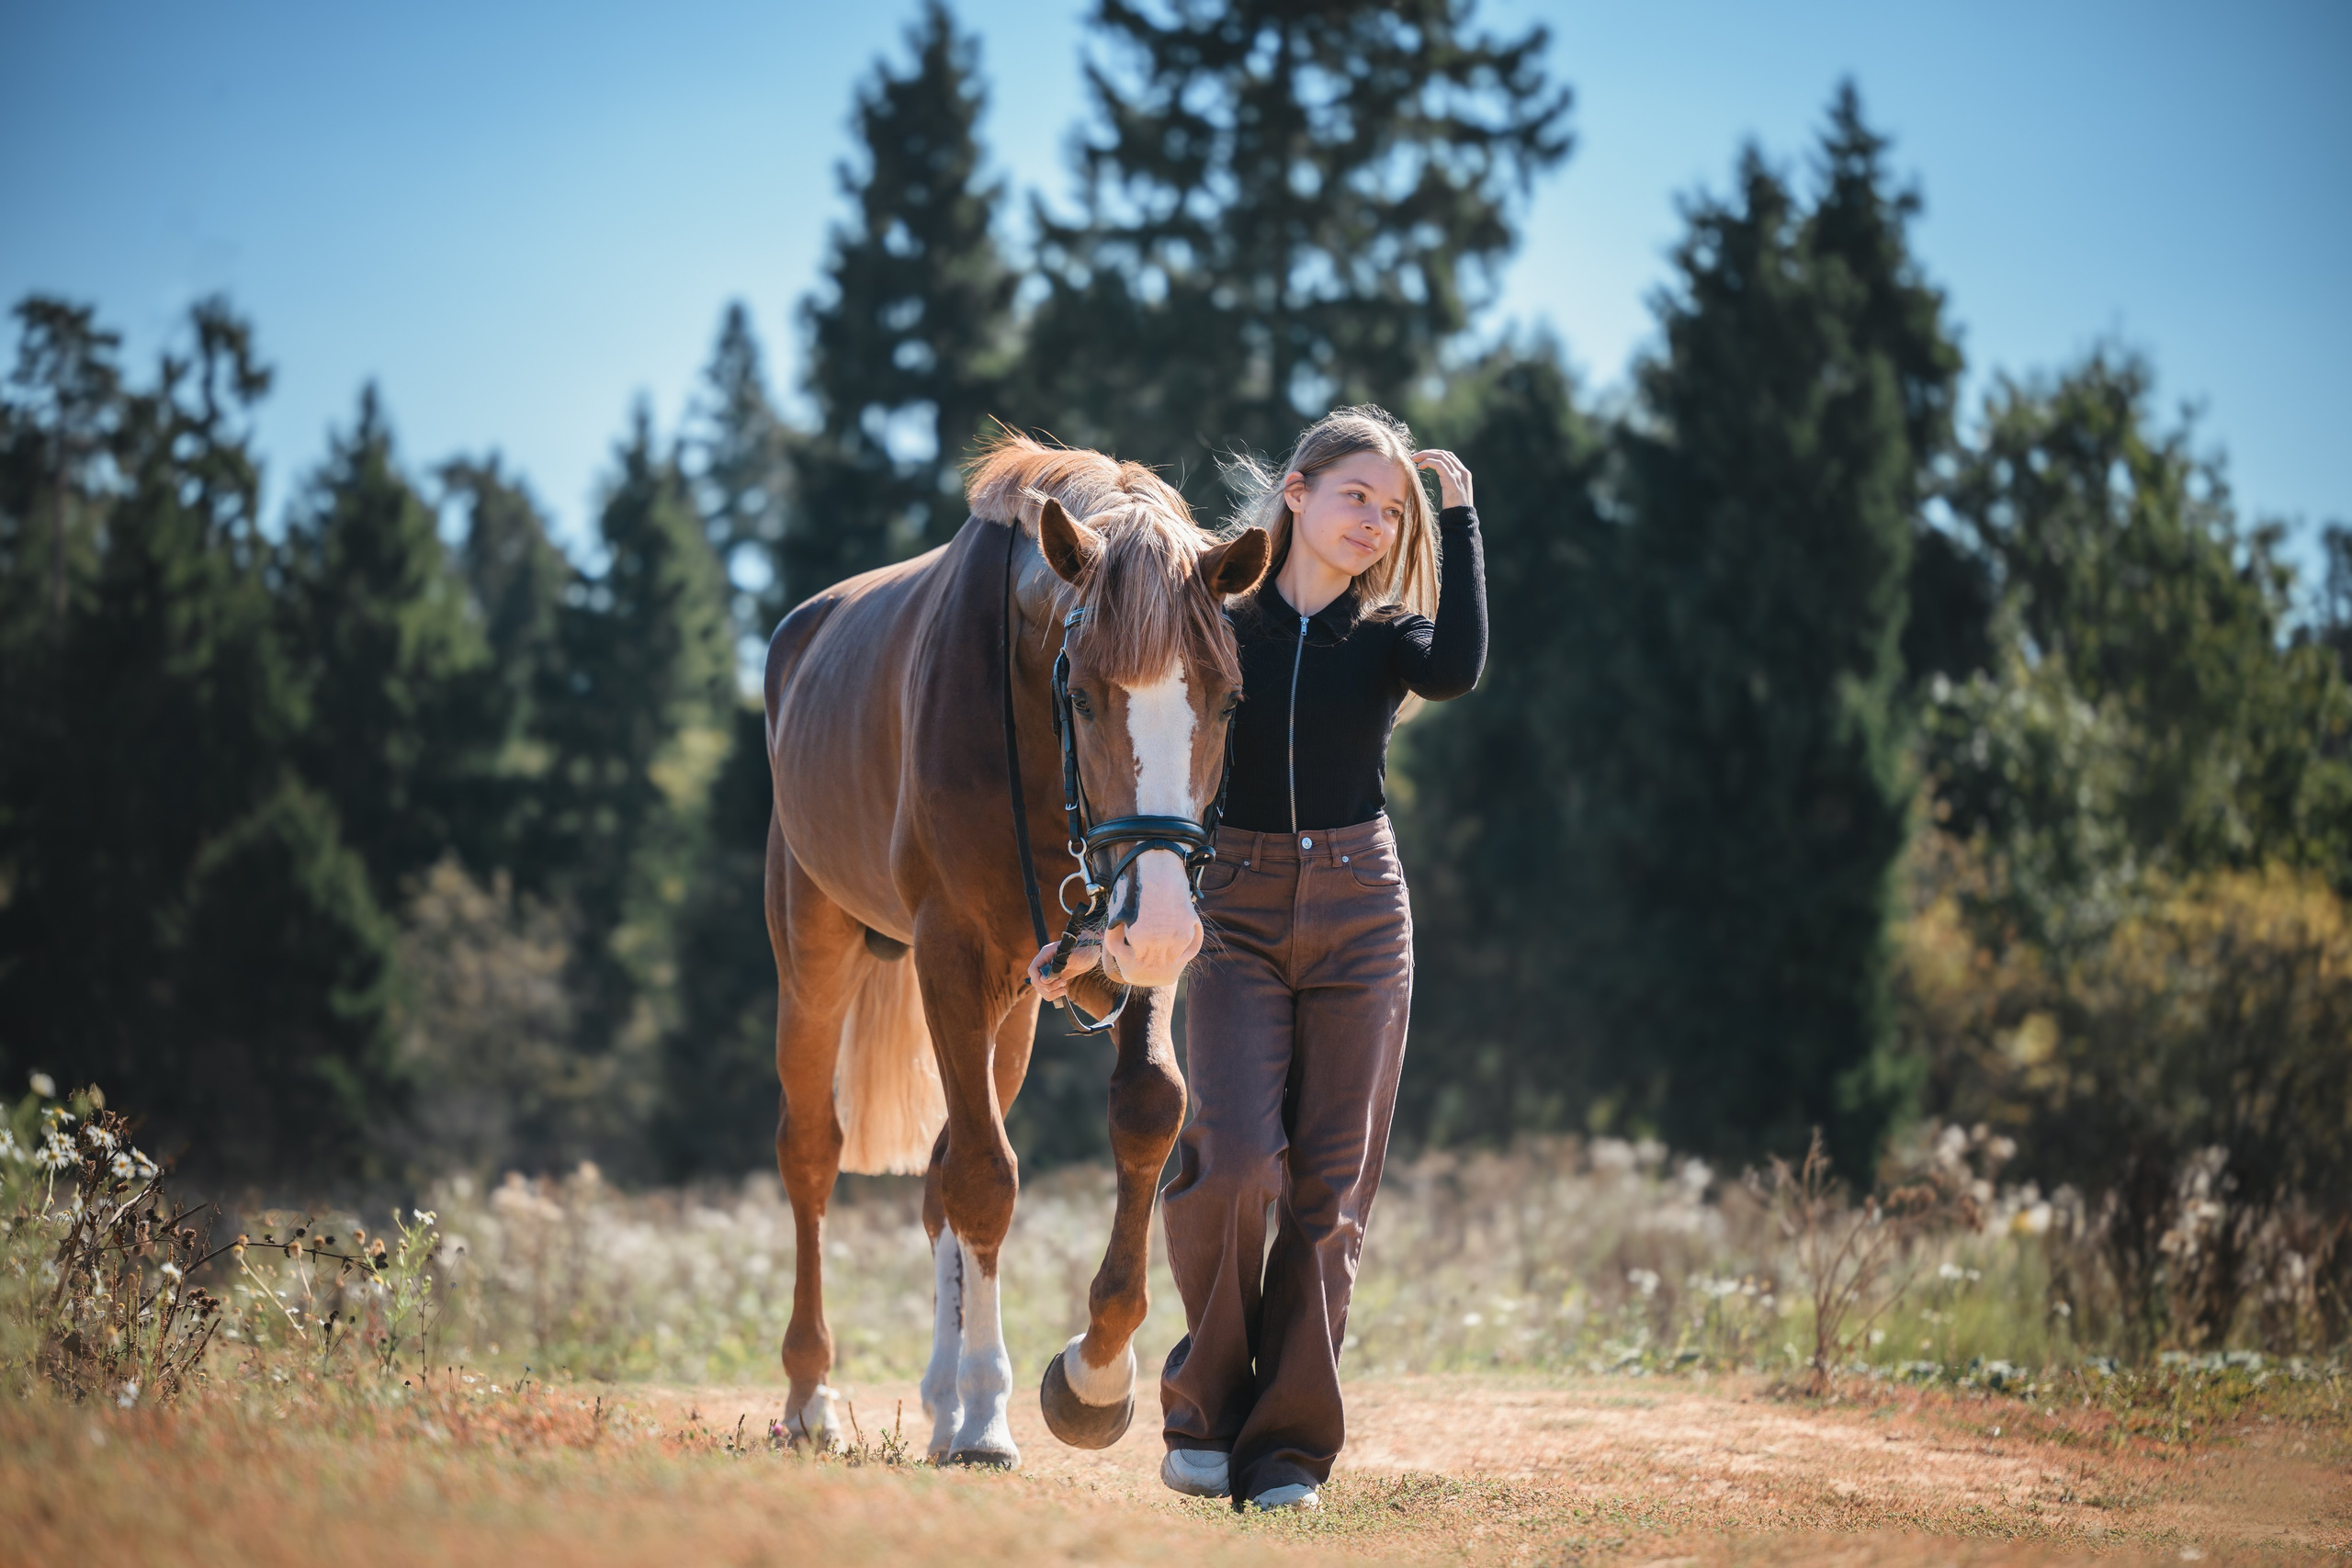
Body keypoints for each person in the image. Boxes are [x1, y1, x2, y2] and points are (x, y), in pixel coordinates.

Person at [1031, 405, 1487, 1511]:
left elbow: (1461, 668)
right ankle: (1203, 1414)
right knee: (1231, 1161)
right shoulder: (1216, 618)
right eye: (1356, 496)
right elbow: (1143, 764)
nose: (1375, 521)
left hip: (1361, 914)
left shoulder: (1389, 638)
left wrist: (1460, 521)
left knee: (1330, 1195)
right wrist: (1100, 931)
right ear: (1296, 492)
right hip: (1231, 904)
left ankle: (1285, 1451)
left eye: (1392, 509)